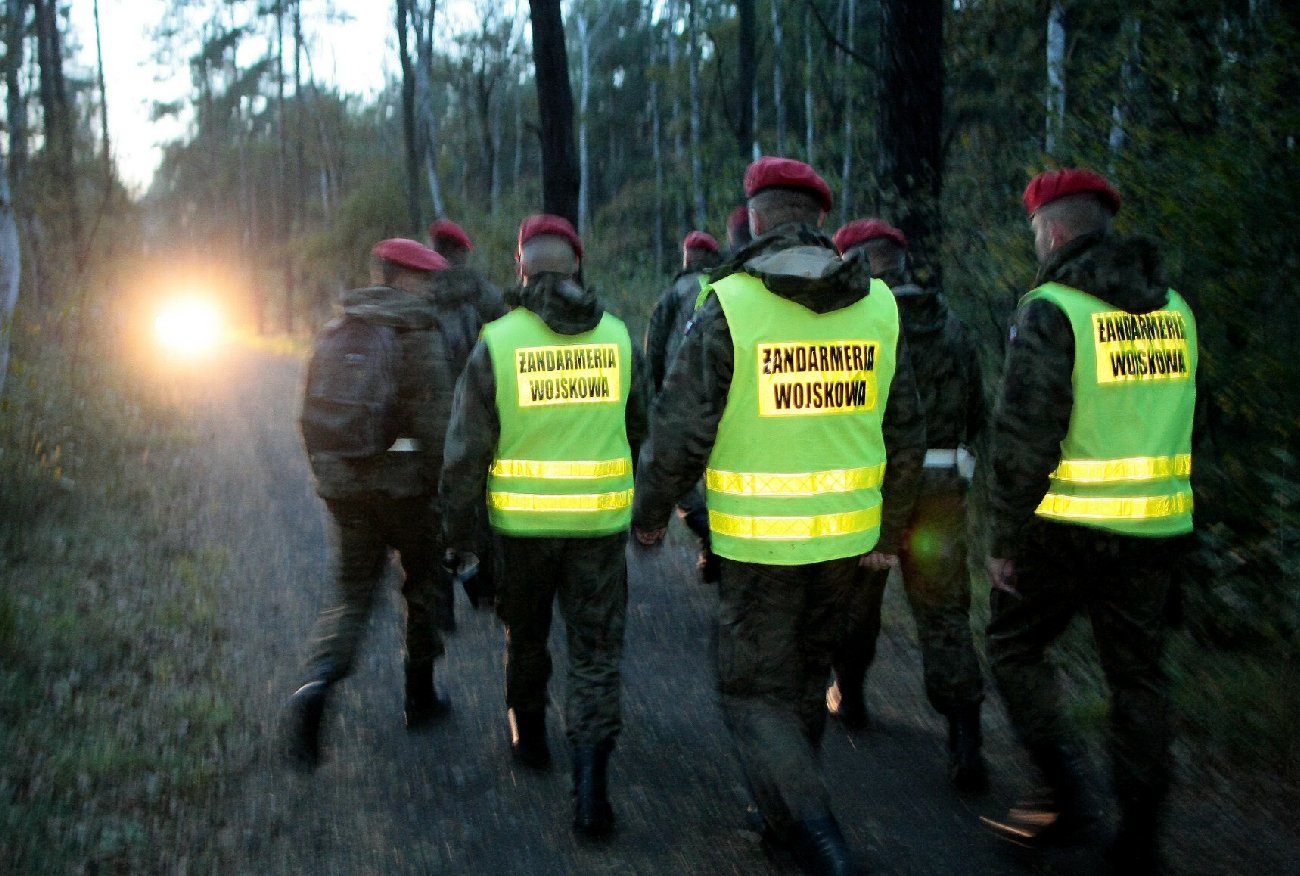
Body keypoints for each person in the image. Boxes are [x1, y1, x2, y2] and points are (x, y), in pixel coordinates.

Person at [633, 157, 926, 876]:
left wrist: (650, 513)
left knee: (752, 691)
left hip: (761, 547)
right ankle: (781, 816)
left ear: (755, 219)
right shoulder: (879, 304)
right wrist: (890, 533)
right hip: (848, 544)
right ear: (820, 219)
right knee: (799, 682)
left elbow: (680, 427)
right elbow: (907, 429)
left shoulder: (730, 303)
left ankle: (821, 838)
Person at [980, 168, 1198, 874]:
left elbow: (1022, 439)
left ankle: (1067, 792)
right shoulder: (1177, 311)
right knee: (1139, 680)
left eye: (1036, 230)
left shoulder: (1054, 308)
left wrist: (1004, 539)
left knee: (1013, 649)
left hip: (1063, 532)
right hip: (1156, 532)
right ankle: (1141, 842)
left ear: (1053, 230)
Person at [441, 214, 649, 838]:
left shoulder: (498, 342)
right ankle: (591, 789)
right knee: (595, 653)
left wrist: (463, 548)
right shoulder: (616, 339)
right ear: (578, 267)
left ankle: (528, 736)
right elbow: (642, 428)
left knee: (525, 636)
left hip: (521, 532)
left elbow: (462, 460)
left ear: (521, 268)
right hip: (598, 531)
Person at [285, 238, 469, 770]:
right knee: (424, 584)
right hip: (406, 492)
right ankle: (420, 695)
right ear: (404, 277)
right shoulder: (417, 332)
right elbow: (436, 431)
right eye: (424, 278)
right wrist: (445, 493)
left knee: (352, 595)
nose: (431, 287)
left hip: (347, 489)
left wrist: (334, 479)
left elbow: (308, 417)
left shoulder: (336, 327)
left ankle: (317, 685)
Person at [826, 219, 989, 793]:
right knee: (945, 615)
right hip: (940, 497)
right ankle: (966, 739)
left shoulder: (856, 325)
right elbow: (978, 412)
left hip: (873, 495)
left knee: (855, 604)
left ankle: (851, 699)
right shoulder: (952, 326)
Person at [428, 217, 508, 615]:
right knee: (482, 498)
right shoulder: (481, 291)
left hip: (428, 417)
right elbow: (507, 336)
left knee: (433, 503)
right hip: (476, 410)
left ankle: (439, 600)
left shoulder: (417, 292)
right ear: (461, 252)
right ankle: (487, 590)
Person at [644, 230, 723, 582]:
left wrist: (657, 396)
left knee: (680, 479)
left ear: (687, 257)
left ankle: (707, 531)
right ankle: (720, 544)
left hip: (683, 397)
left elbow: (655, 349)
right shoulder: (729, 288)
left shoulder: (674, 292)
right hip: (725, 397)